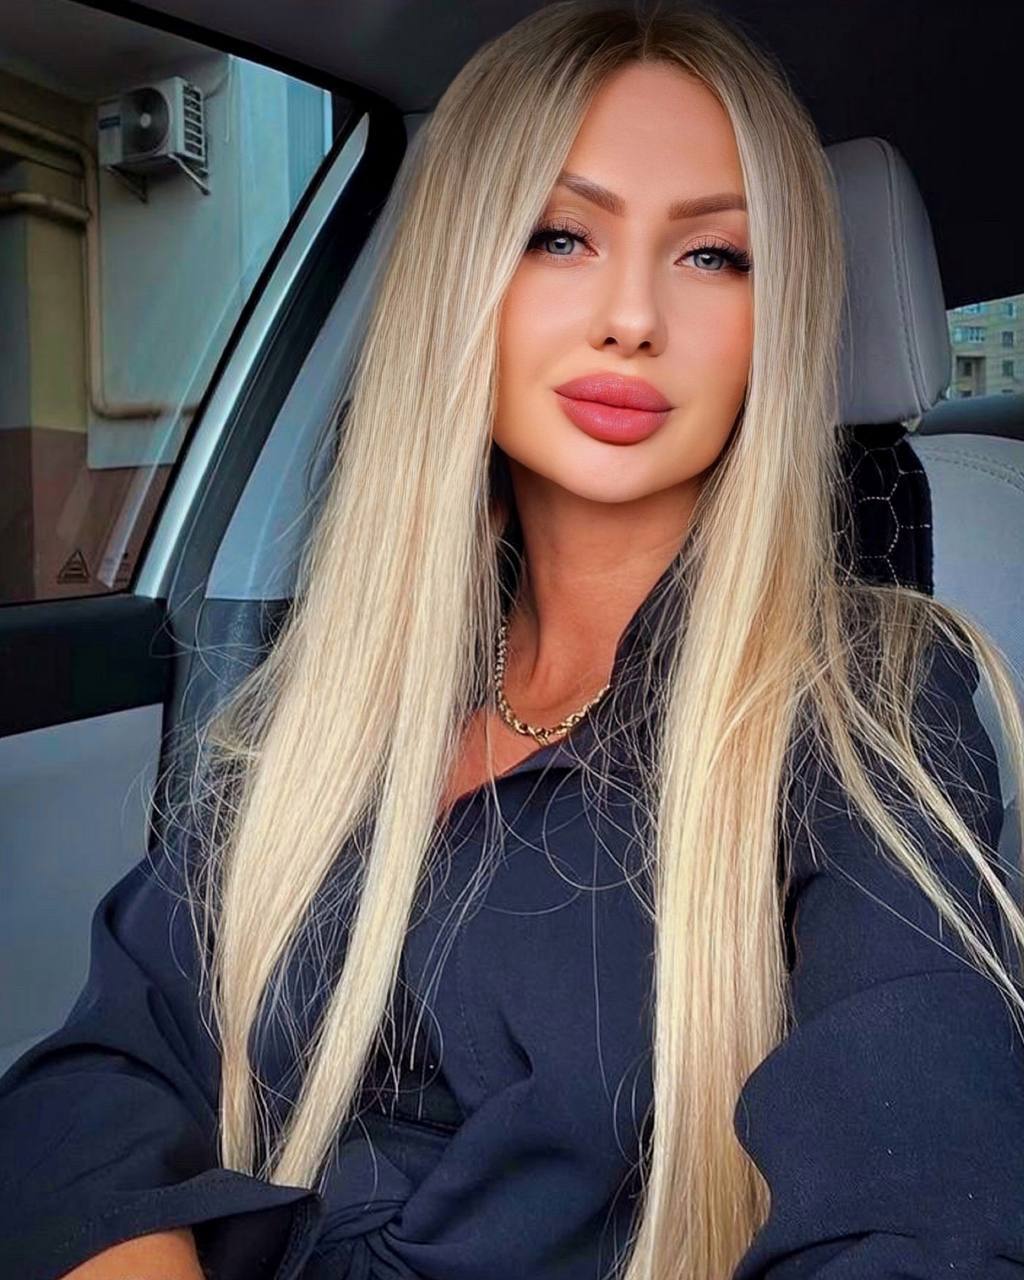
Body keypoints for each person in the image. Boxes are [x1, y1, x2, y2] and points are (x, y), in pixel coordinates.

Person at [3, 2, 1024, 1278]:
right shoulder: (342, 691)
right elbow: (107, 1063)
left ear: (781, 322)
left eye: (715, 255)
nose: (631, 316)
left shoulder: (860, 693)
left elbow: (920, 1179)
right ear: (460, 279)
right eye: (559, 234)